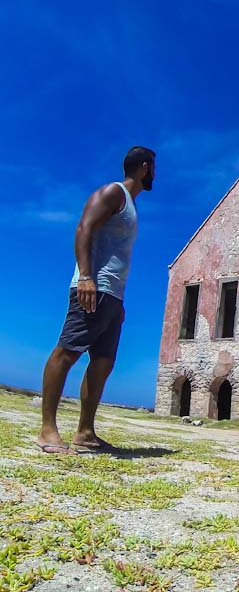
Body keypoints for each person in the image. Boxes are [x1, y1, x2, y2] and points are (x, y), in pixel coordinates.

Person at [36, 146, 156, 454]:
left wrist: (119, 303)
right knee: (67, 352)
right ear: (144, 167)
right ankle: (47, 430)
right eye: (153, 167)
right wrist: (86, 277)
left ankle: (85, 432)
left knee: (103, 363)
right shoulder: (112, 192)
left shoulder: (130, 205)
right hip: (93, 288)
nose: (155, 173)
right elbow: (84, 228)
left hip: (112, 296)